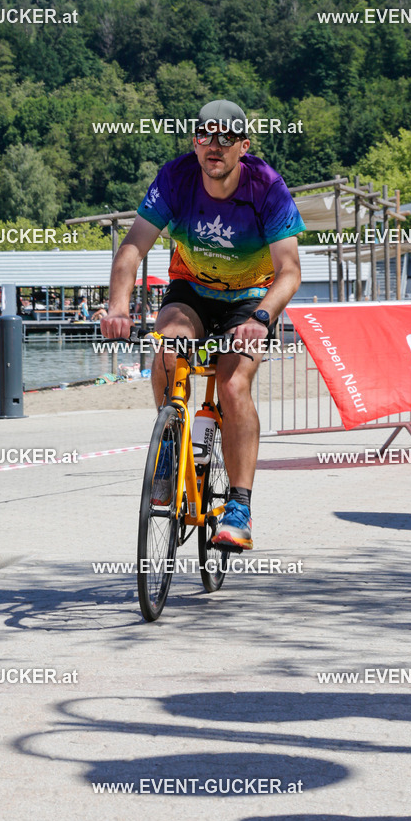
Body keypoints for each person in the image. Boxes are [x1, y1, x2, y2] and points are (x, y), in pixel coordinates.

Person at [101, 99, 304, 550]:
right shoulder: (175, 177)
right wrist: (117, 307)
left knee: (233, 386)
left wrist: (262, 317)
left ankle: (239, 504)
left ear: (243, 145)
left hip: (249, 298)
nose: (215, 145)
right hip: (191, 289)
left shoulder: (267, 187)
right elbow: (133, 247)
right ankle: (171, 452)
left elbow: (289, 270)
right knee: (168, 349)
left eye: (226, 137)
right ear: (194, 142)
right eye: (205, 135)